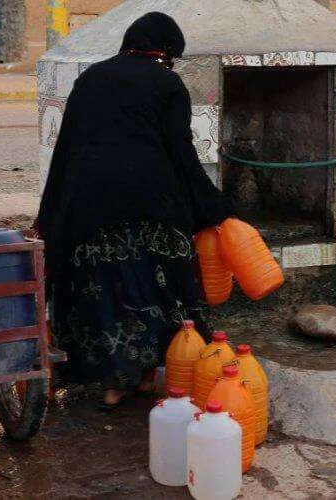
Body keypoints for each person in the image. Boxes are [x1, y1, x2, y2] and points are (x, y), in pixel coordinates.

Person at [36, 13, 233, 408]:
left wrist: (51, 212)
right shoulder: (167, 84)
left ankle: (119, 378)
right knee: (156, 293)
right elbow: (180, 152)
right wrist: (213, 205)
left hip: (89, 210)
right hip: (151, 208)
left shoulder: (91, 78)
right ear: (165, 51)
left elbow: (66, 150)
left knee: (105, 294)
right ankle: (138, 376)